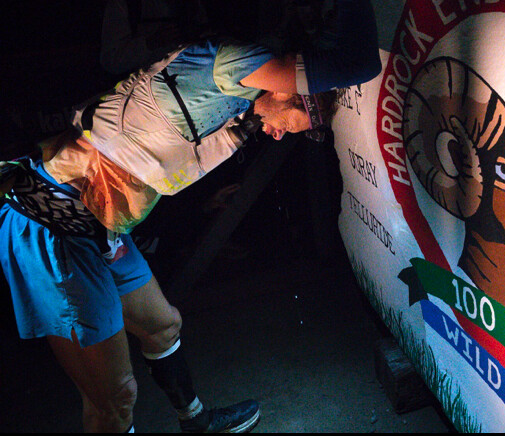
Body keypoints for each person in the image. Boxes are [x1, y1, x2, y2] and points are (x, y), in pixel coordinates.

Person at [0, 0, 381, 432]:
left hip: (99, 227)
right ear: (284, 90)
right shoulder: (235, 64)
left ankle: (196, 423)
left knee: (163, 326)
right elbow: (357, 64)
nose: (279, 134)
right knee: (114, 399)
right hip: (53, 225)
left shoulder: (239, 103)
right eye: (292, 123)